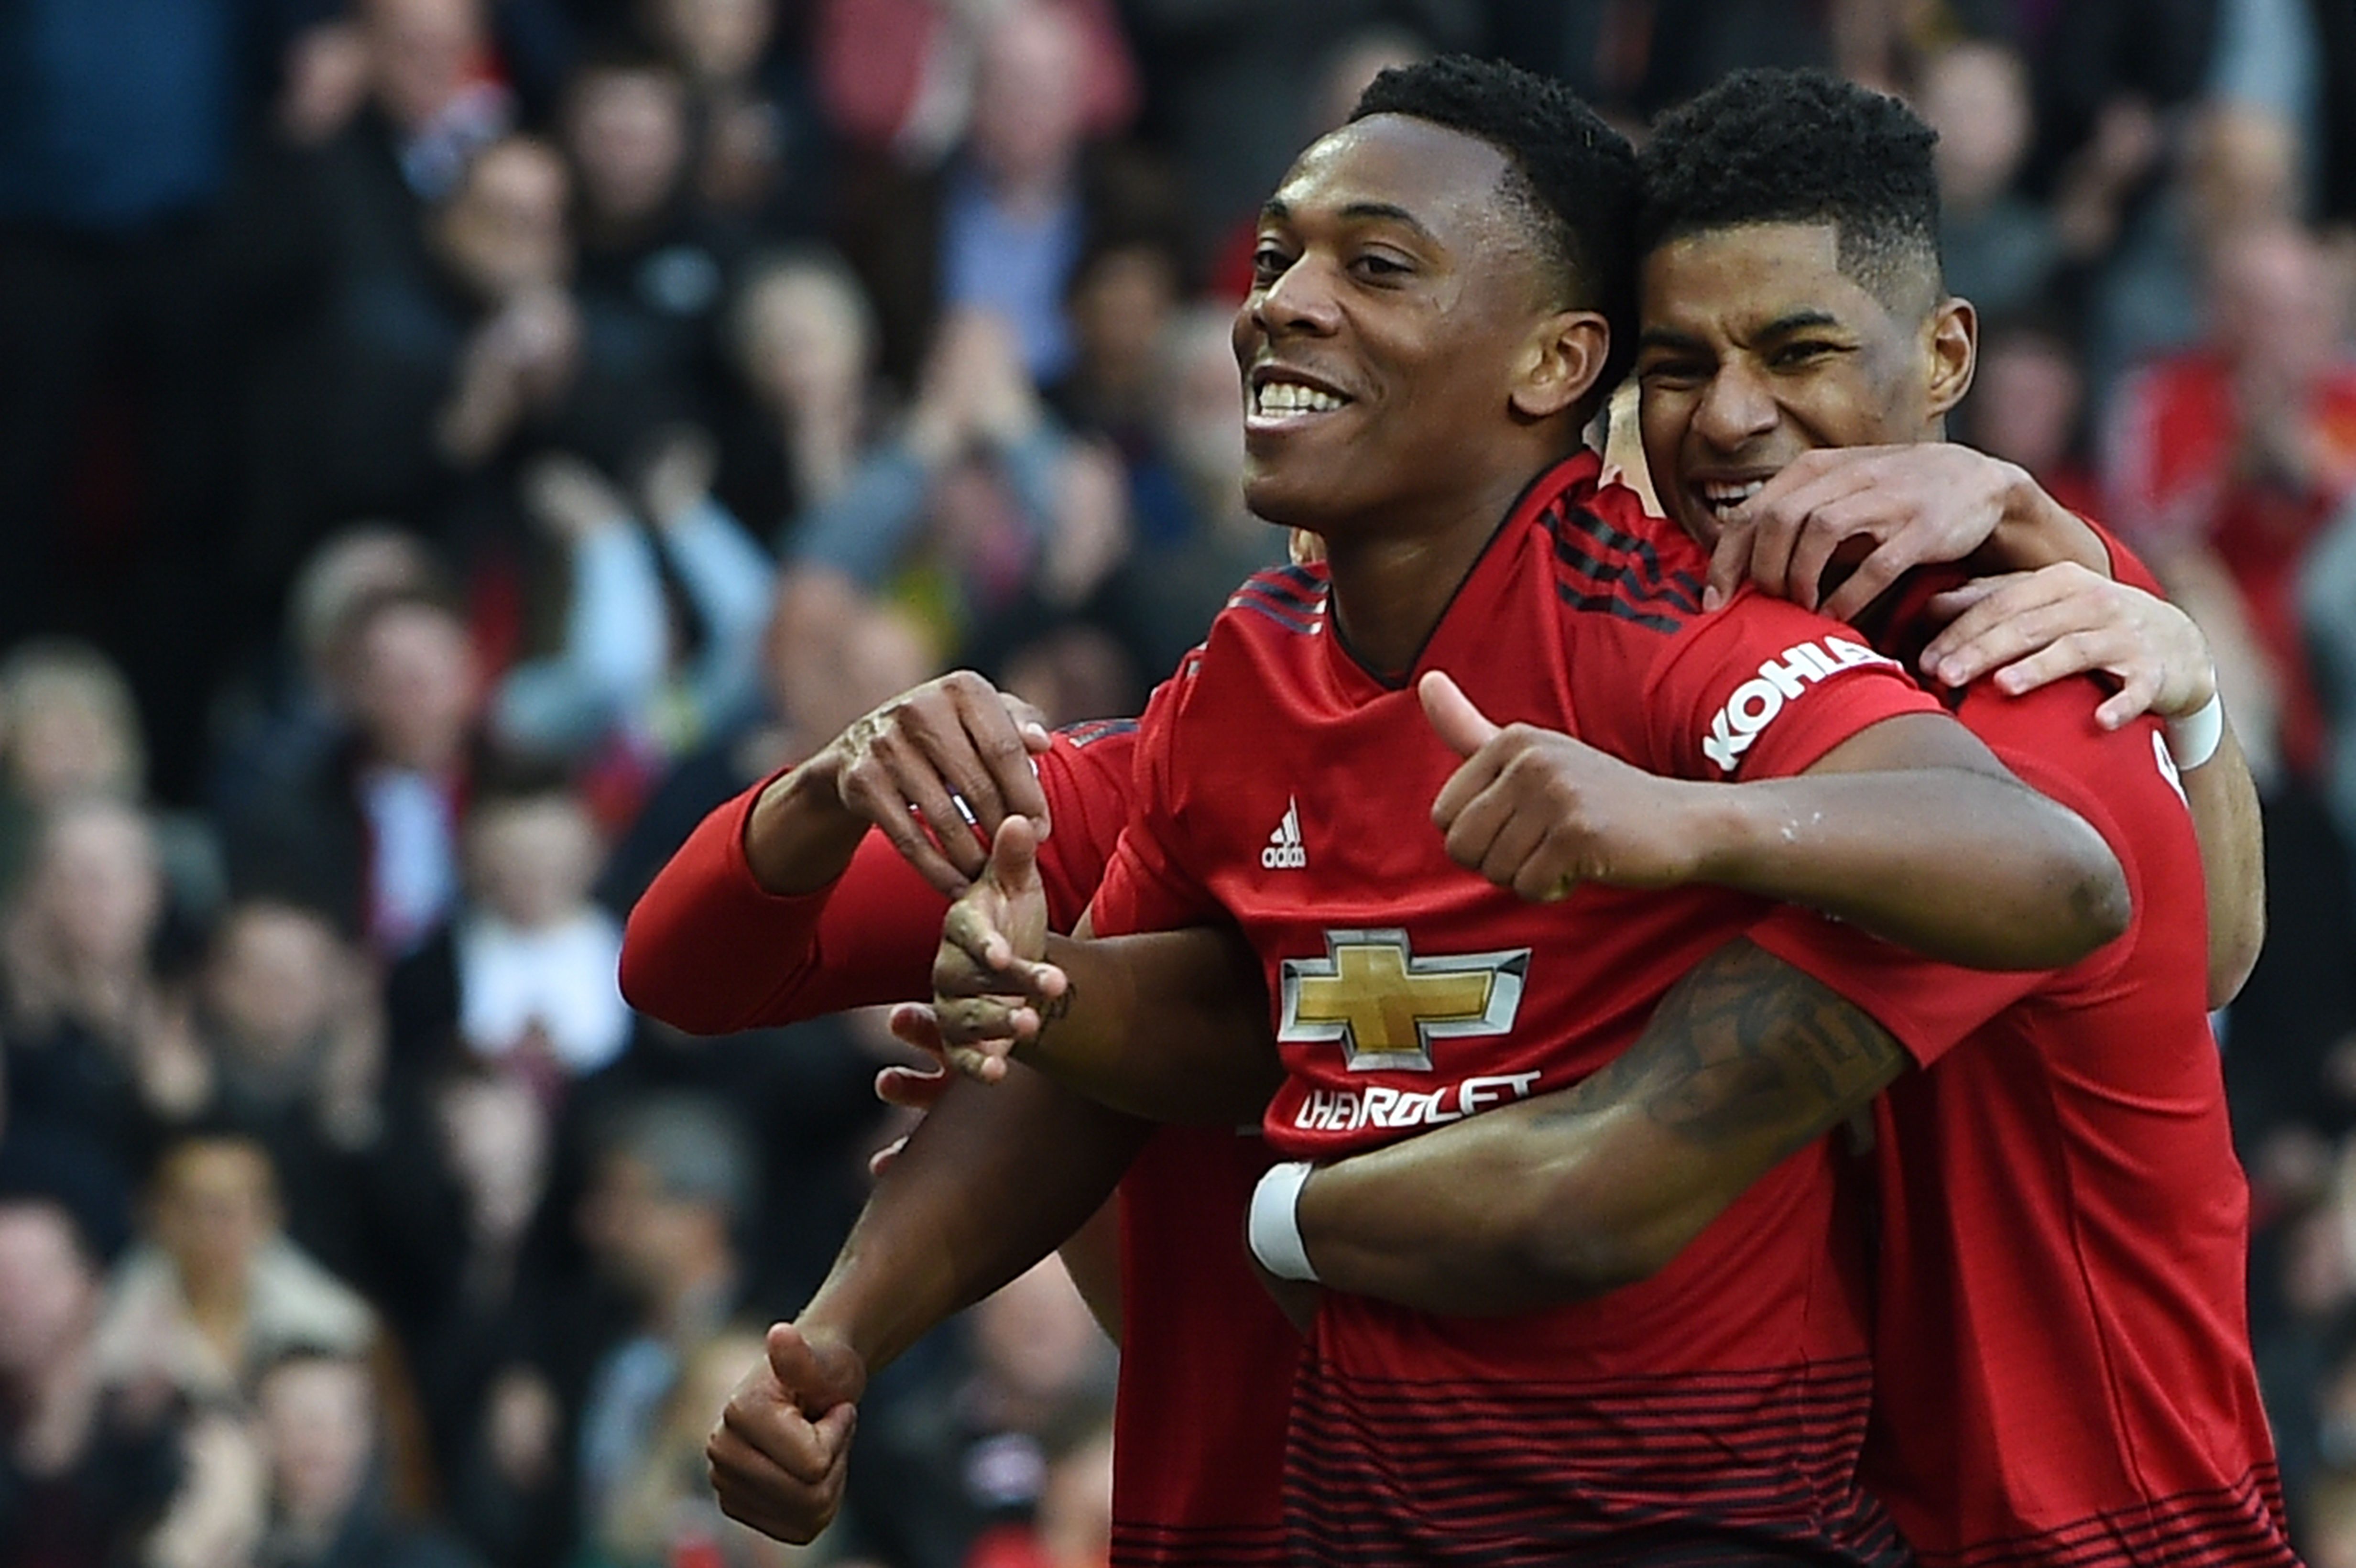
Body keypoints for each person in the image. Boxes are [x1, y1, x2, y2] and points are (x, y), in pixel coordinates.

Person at [676, 56, 2177, 1567]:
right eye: (1275, 261)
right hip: (1359, 1514)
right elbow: (743, 984)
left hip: (1734, 1523)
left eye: (1374, 266)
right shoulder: (1236, 685)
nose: (1282, 305)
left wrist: (1680, 824)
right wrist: (843, 1336)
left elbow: (2059, 871)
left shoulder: (1712, 650)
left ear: (1548, 365)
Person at [1128, 69, 2283, 1568]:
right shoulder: (1808, 662)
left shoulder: (2020, 695)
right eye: (1681, 365)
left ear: (1945, 355)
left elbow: (1603, 1187)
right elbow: (2212, 949)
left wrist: (1278, 1211)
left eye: (1797, 350)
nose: (1733, 418)